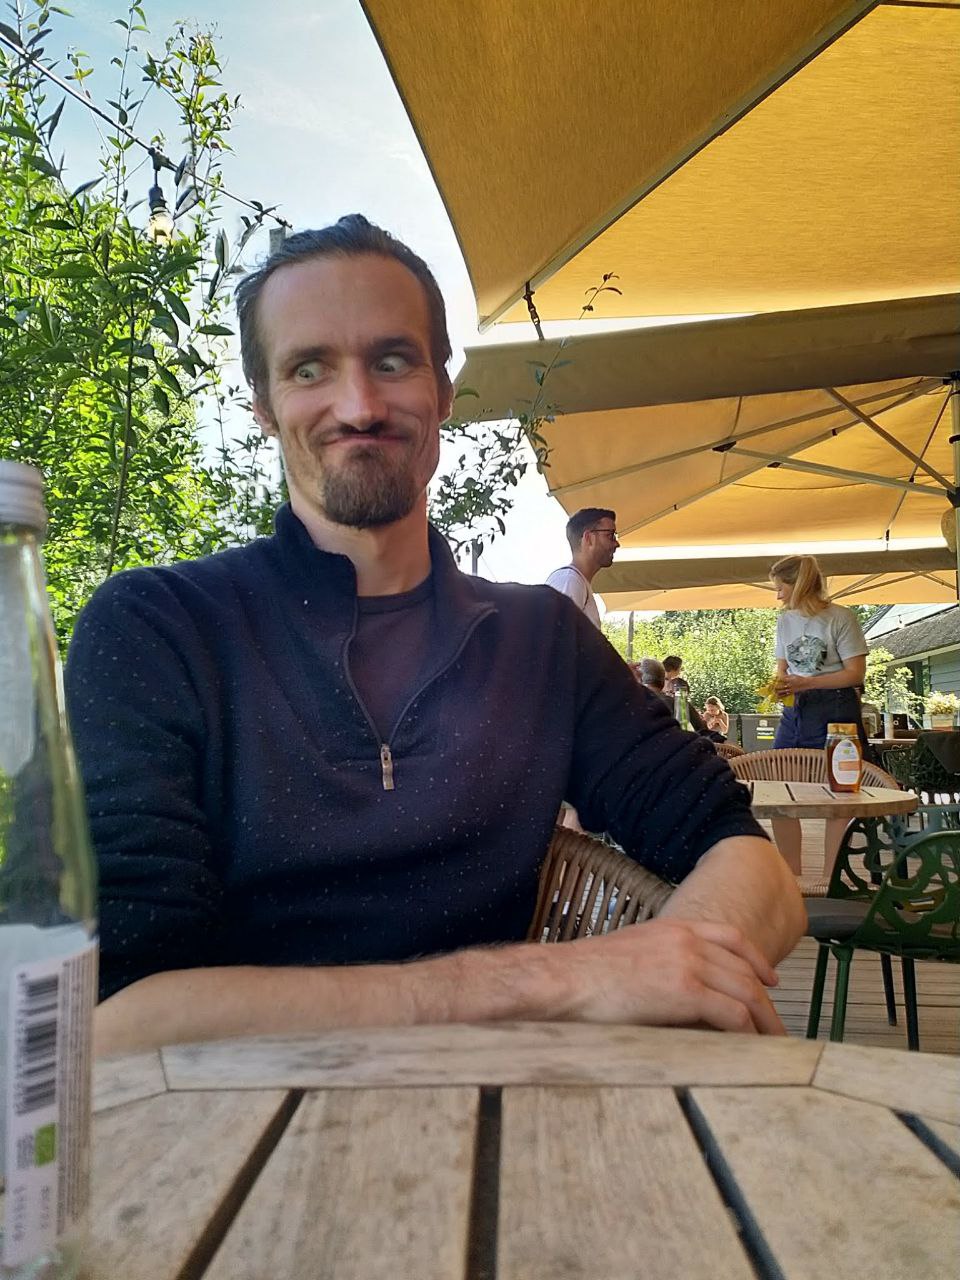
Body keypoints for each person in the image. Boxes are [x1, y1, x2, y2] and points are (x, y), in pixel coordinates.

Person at [66, 215, 804, 1057]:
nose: (359, 406)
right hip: (224, 1118)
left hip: (513, 1102)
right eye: (309, 368)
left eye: (392, 361)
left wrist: (682, 969)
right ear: (263, 406)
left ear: (444, 392)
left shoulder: (540, 640)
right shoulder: (158, 628)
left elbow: (752, 863)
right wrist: (557, 981)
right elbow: (115, 1016)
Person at [769, 554, 869, 876]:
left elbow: (855, 673)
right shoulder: (784, 621)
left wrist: (808, 682)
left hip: (837, 708)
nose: (777, 595)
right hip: (795, 711)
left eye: (780, 587)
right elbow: (783, 669)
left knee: (839, 797)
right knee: (780, 794)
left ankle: (830, 879)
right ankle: (791, 878)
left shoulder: (841, 617)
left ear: (797, 585)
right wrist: (780, 685)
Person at [544, 508, 618, 627]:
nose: (617, 544)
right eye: (610, 535)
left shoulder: (576, 582)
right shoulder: (570, 580)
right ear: (588, 538)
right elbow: (554, 635)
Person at [638, 657, 710, 734]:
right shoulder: (679, 703)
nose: (670, 684)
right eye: (667, 679)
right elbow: (703, 732)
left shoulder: (634, 704)